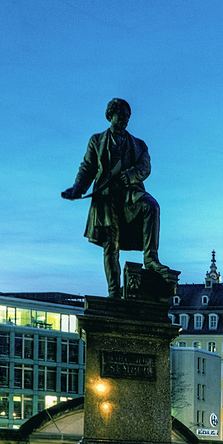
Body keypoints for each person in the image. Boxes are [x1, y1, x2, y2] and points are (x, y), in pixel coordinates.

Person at [62, 98, 175, 298]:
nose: (124, 119)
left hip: (130, 193)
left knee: (152, 206)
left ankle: (151, 257)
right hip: (106, 198)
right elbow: (88, 167)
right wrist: (77, 189)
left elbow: (145, 167)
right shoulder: (97, 140)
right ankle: (114, 291)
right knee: (111, 244)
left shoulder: (139, 145)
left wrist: (130, 175)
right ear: (110, 116)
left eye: (127, 116)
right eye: (121, 115)